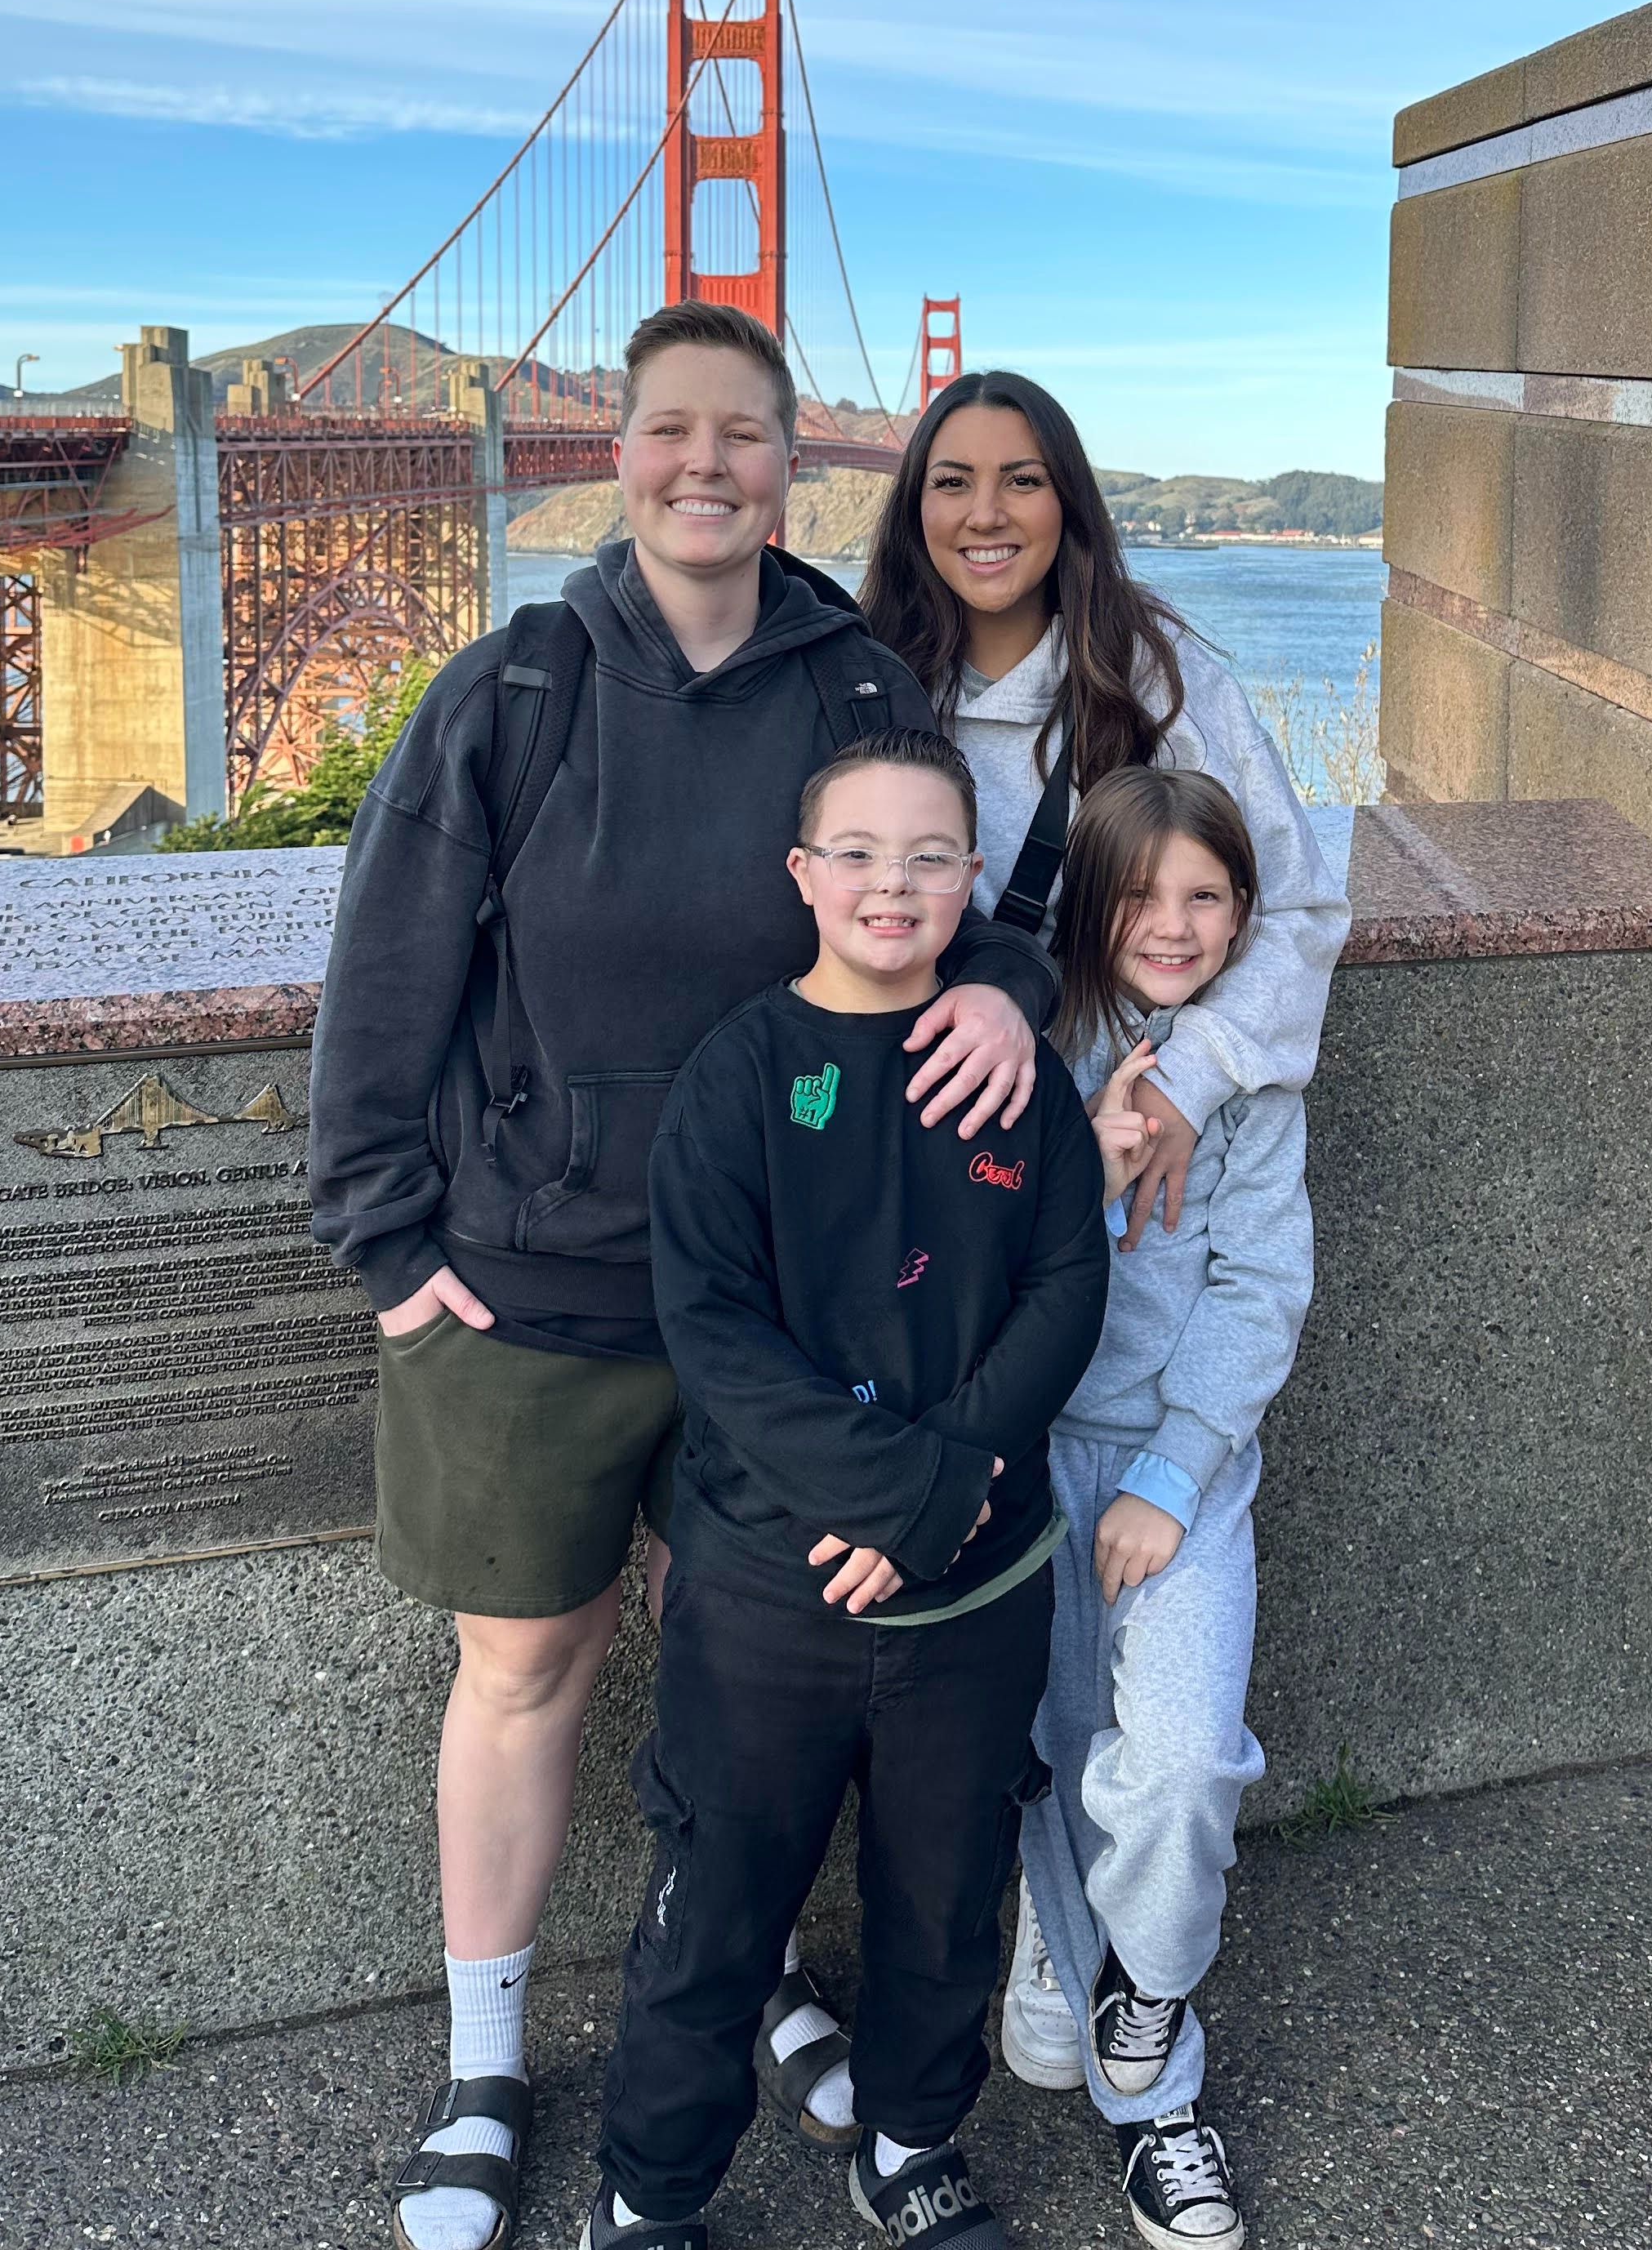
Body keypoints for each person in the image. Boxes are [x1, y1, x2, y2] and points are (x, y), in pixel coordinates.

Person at [306, 304, 1059, 2250]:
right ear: (616, 450)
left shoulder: (858, 684)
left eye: (742, 433)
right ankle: (486, 2066)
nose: (704, 465)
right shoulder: (515, 687)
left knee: (757, 1671)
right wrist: (389, 1245)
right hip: (538, 1284)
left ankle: (746, 1974)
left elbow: (943, 884)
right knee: (527, 1666)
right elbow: (388, 967)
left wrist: (1006, 982)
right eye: (668, 429)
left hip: (799, 1303)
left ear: (794, 462)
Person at [587, 727, 1109, 2250]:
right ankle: (649, 2191)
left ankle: (911, 2142)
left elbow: (1066, 1289)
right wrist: (899, 1500)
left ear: (972, 880)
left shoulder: (1014, 1075)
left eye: (930, 856)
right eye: (861, 854)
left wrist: (938, 1499)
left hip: (976, 1588)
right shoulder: (742, 1075)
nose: (894, 883)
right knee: (716, 1902)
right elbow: (714, 1333)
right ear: (803, 876)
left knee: (945, 1896)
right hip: (772, 1586)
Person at [995, 767, 1314, 2250]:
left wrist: (1175, 1476)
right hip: (1027, 1456)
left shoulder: (1249, 1079)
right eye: (1140, 894)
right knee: (1053, 1756)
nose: (1174, 924)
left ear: (1244, 913)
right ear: (1087, 908)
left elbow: (1261, 1288)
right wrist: (1084, 1159)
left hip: (1180, 1473)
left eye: (1207, 896)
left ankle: (1146, 1985)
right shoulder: (1023, 1051)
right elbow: (962, 1264)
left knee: (1181, 1762)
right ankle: (1129, 2066)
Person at [859, 365, 1347, 1254]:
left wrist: (1183, 1084)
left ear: (1070, 503)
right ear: (914, 509)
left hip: (1123, 1165)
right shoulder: (862, 689)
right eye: (952, 482)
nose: (986, 514)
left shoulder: (1163, 684)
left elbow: (1299, 910)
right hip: (916, 1161)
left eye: (1023, 480)